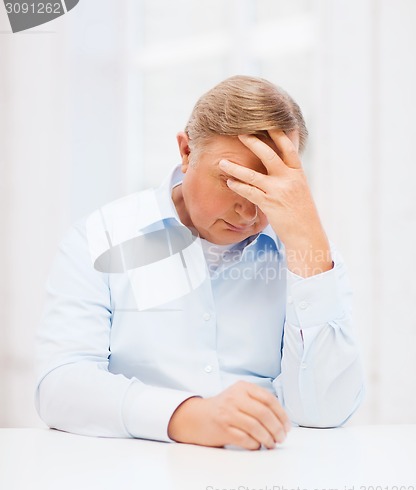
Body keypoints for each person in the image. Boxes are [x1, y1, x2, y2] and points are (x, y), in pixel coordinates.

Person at [35, 75, 364, 451]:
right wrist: (187, 416)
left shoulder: (311, 257)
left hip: (265, 475)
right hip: (132, 473)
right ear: (187, 152)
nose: (248, 208)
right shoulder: (101, 238)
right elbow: (59, 386)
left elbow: (327, 412)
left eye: (267, 184)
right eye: (231, 179)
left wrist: (309, 244)